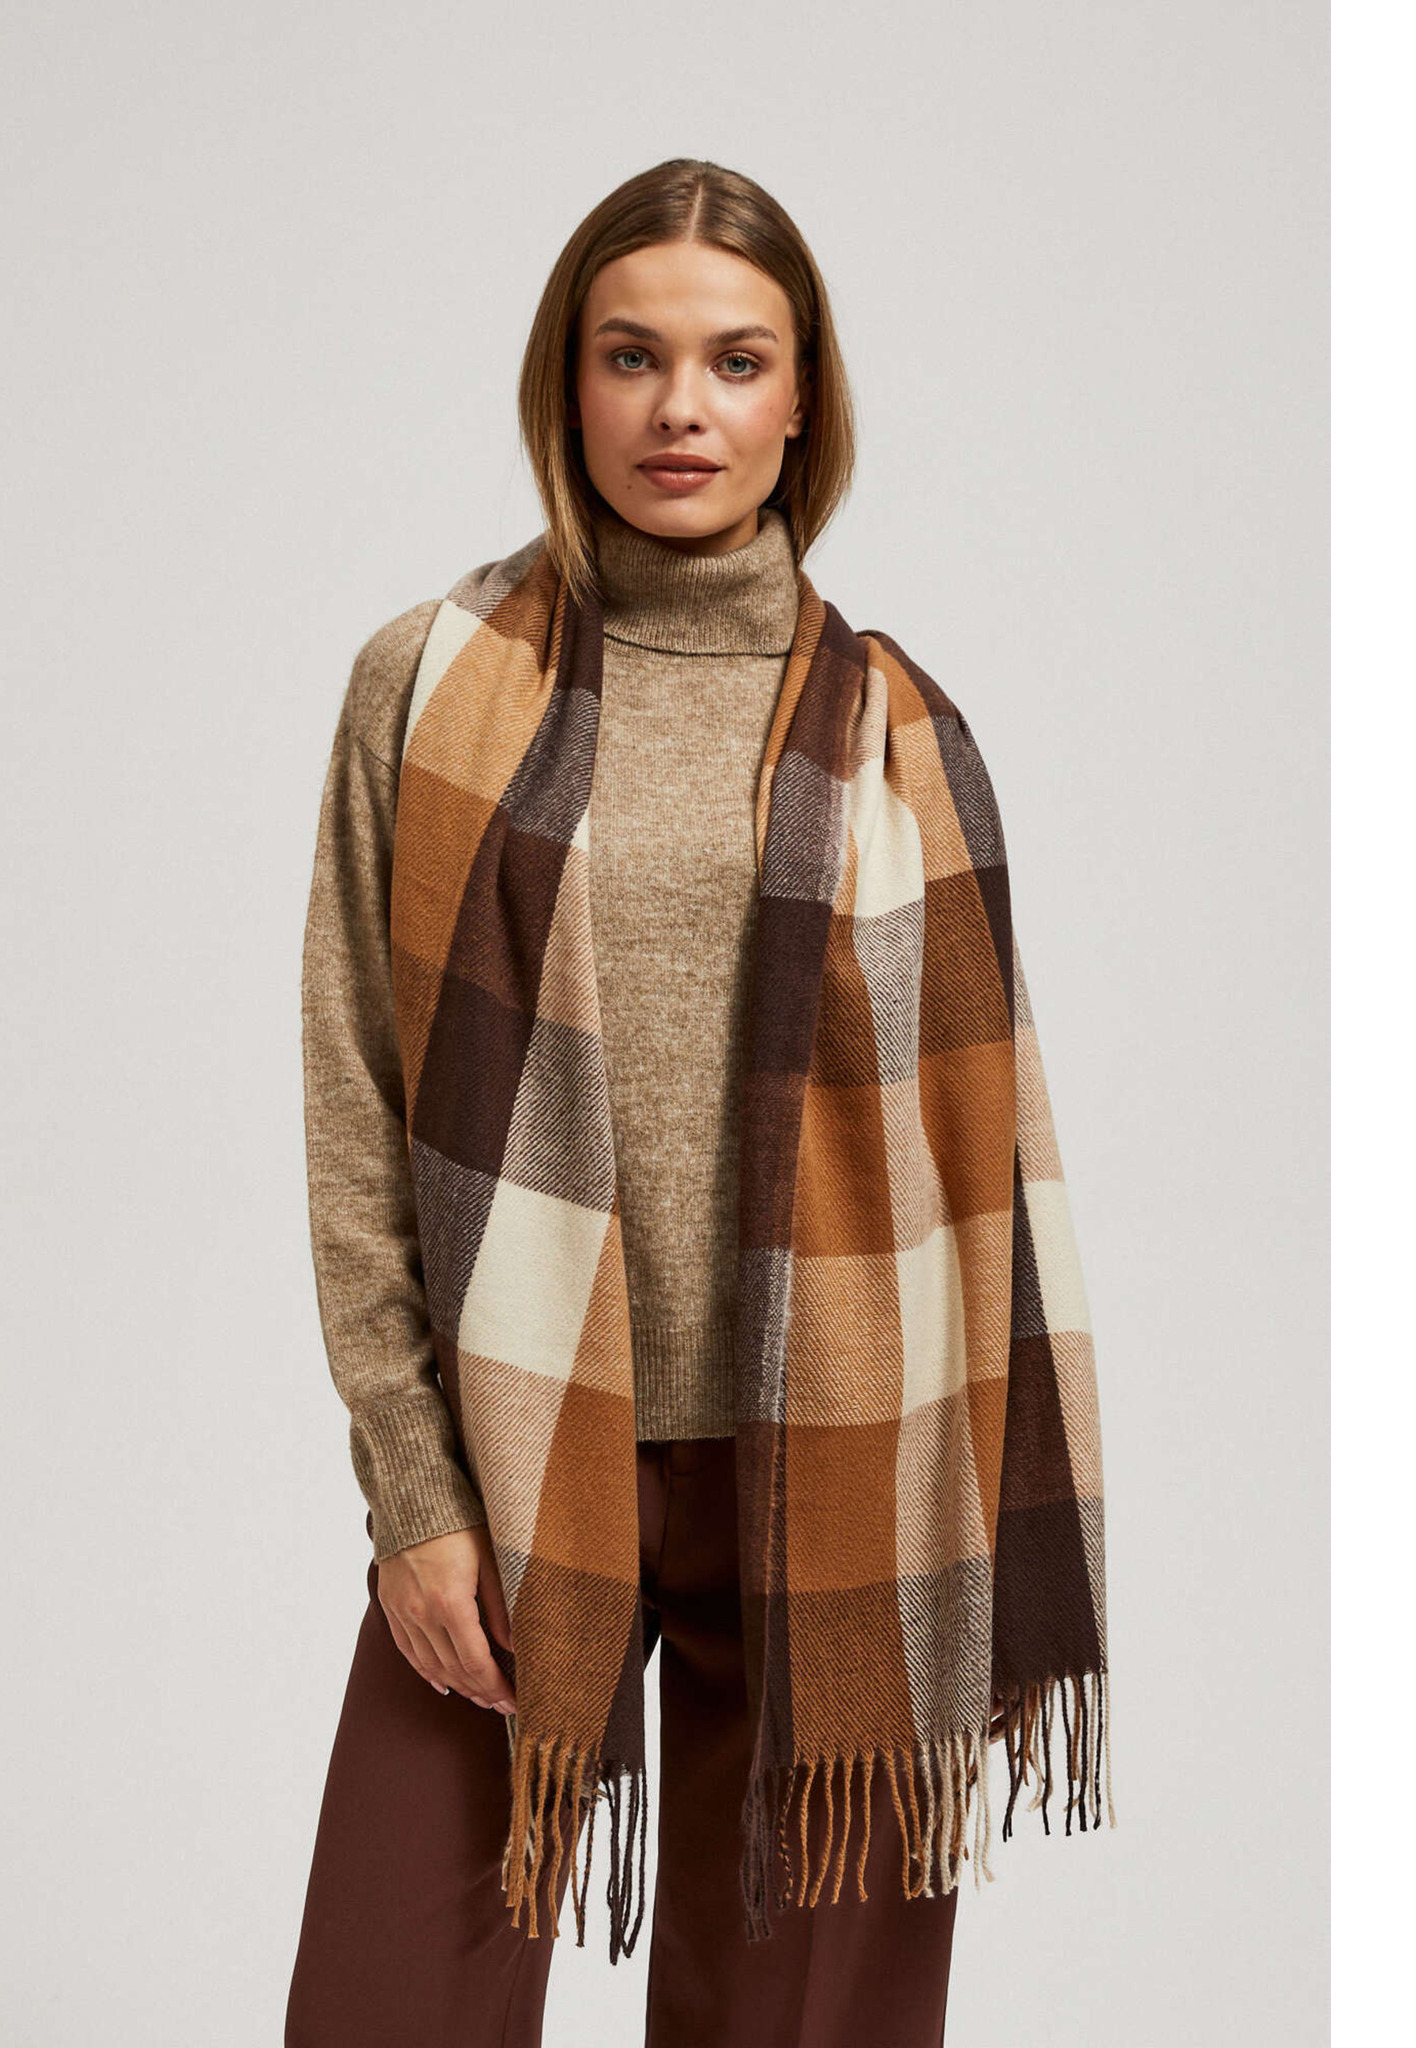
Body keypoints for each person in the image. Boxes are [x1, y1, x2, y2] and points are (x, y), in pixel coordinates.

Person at [285, 157, 1111, 2048]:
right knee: (388, 2004)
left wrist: (984, 1535)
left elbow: (988, 1164)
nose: (681, 407)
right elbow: (354, 1105)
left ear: (802, 398)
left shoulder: (906, 730)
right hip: (516, 1453)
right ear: (565, 385)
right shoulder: (426, 689)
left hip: (838, 1467)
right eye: (631, 356)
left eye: (736, 360)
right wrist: (412, 1493)